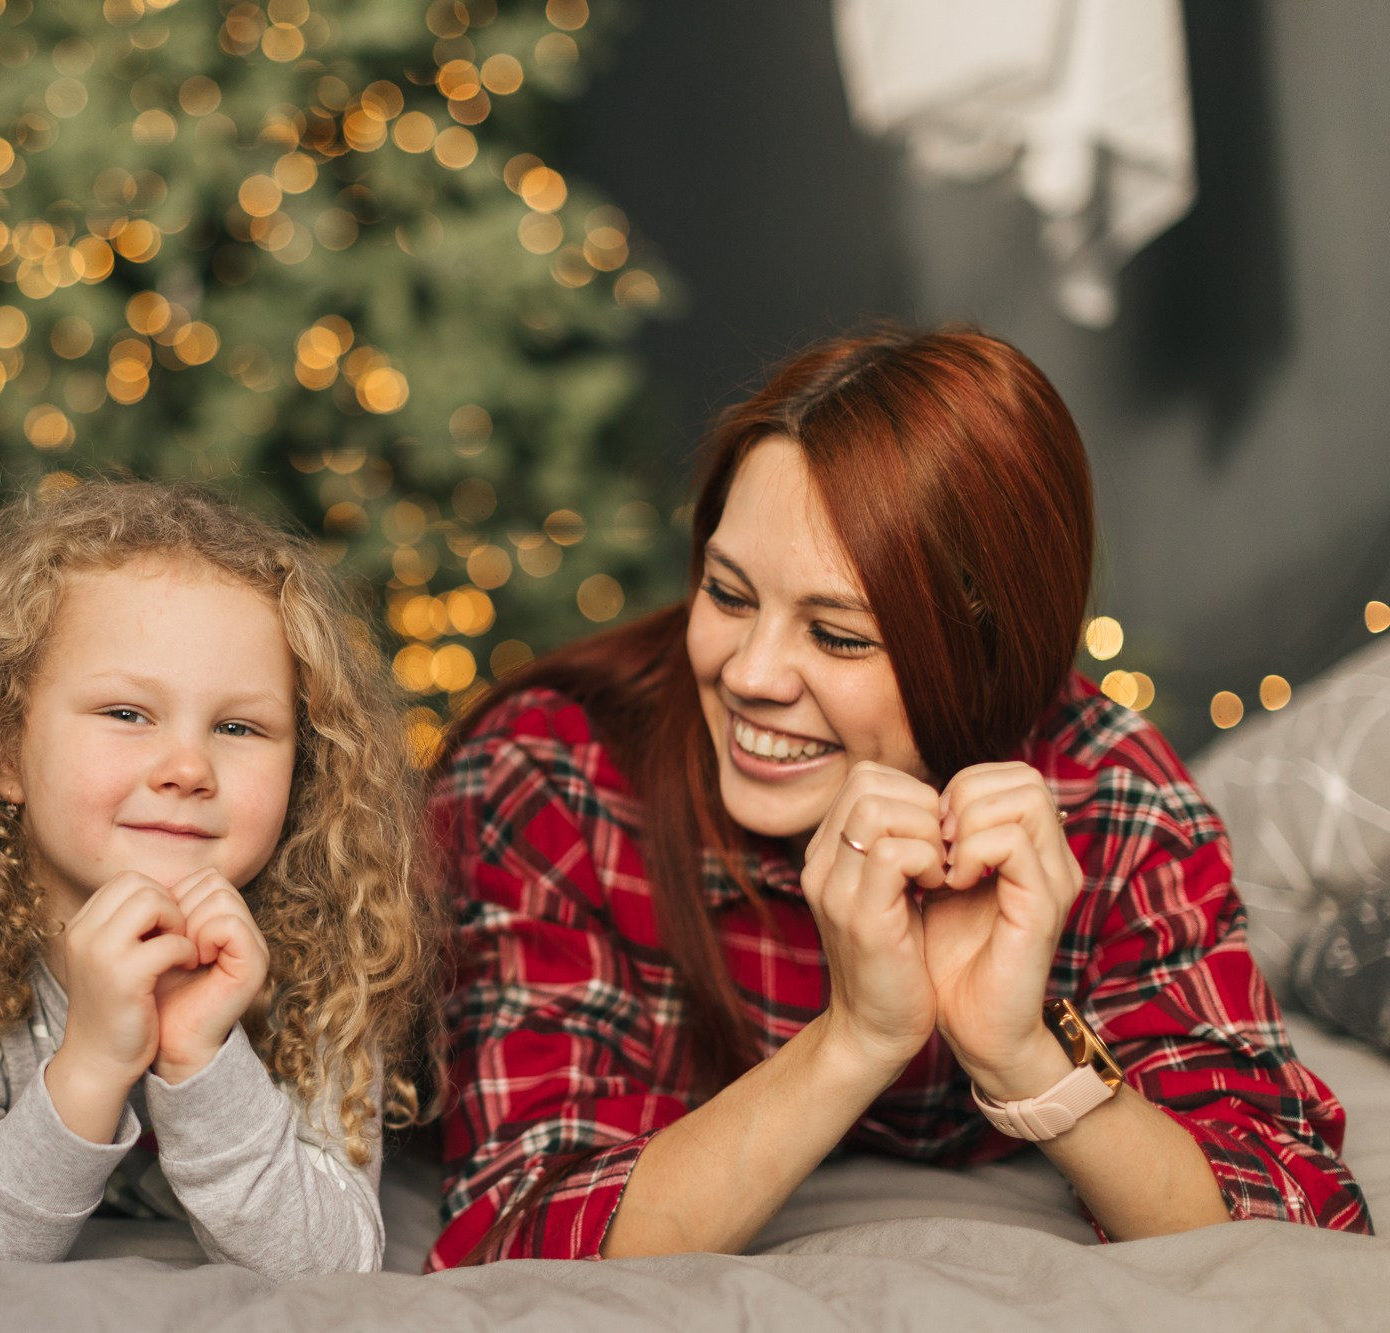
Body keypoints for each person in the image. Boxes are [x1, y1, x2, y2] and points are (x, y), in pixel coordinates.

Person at [426, 326, 1373, 1268]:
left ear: (987, 653)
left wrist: (1023, 1056)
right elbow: (514, 1236)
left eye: (837, 636)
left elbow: (1296, 1219)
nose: (751, 673)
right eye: (727, 592)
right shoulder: (550, 772)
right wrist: (855, 1039)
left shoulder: (1106, 796)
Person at [0, 479, 436, 1279]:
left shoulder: (324, 954)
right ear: (4, 749)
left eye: (238, 726)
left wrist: (199, 1051)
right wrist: (90, 1064)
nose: (187, 766)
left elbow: (335, 1264)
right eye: (126, 713)